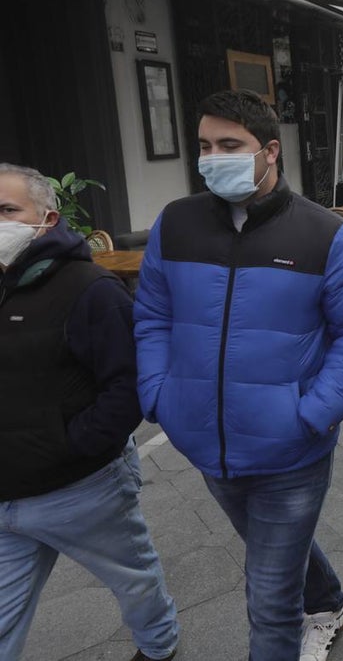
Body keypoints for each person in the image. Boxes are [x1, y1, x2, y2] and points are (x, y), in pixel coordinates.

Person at [134, 90, 343, 661]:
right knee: (272, 545)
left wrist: (312, 413)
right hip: (205, 441)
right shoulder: (176, 225)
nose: (212, 157)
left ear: (269, 151)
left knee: (270, 597)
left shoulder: (325, 235)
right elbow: (153, 314)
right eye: (204, 146)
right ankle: (328, 601)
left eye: (230, 145)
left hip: (292, 450)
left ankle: (309, 618)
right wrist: (159, 394)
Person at [0, 164, 179, 661]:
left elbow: (127, 387)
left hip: (81, 488)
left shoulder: (90, 290)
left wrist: (71, 445)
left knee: (134, 579)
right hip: (6, 494)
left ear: (47, 218)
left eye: (7, 210)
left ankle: (159, 643)